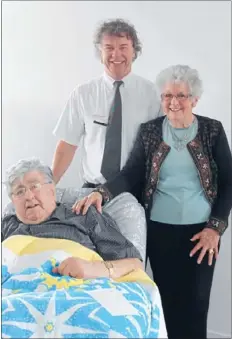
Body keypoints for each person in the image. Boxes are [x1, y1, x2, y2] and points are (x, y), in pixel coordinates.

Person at [73, 65, 232, 339]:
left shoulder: (212, 130)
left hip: (202, 234)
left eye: (181, 96)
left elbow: (229, 181)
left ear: (195, 99)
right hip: (159, 230)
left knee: (196, 304)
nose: (173, 102)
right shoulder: (150, 132)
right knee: (164, 300)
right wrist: (102, 192)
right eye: (167, 95)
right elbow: (131, 174)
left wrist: (215, 228)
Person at [52, 18, 161, 191]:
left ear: (134, 51)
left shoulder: (153, 94)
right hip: (92, 190)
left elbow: (162, 148)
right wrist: (50, 187)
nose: (116, 55)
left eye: (123, 47)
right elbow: (67, 145)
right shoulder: (83, 94)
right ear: (100, 51)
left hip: (136, 190)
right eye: (109, 48)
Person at [1, 158, 143, 280]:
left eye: (34, 186)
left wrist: (92, 268)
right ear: (13, 201)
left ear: (51, 189)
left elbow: (134, 264)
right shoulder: (6, 226)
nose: (28, 196)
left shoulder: (84, 215)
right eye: (20, 191)